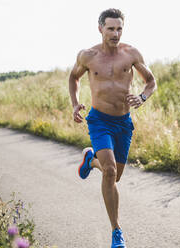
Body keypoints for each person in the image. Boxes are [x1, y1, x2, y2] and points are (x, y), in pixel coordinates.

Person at [68, 8, 156, 248]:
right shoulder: (88, 56)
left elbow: (151, 81)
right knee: (109, 172)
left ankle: (89, 158)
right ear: (100, 29)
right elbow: (73, 78)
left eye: (119, 28)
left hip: (123, 123)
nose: (115, 33)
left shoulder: (131, 53)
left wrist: (143, 97)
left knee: (115, 175)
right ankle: (117, 232)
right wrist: (75, 104)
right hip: (99, 120)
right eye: (111, 29)